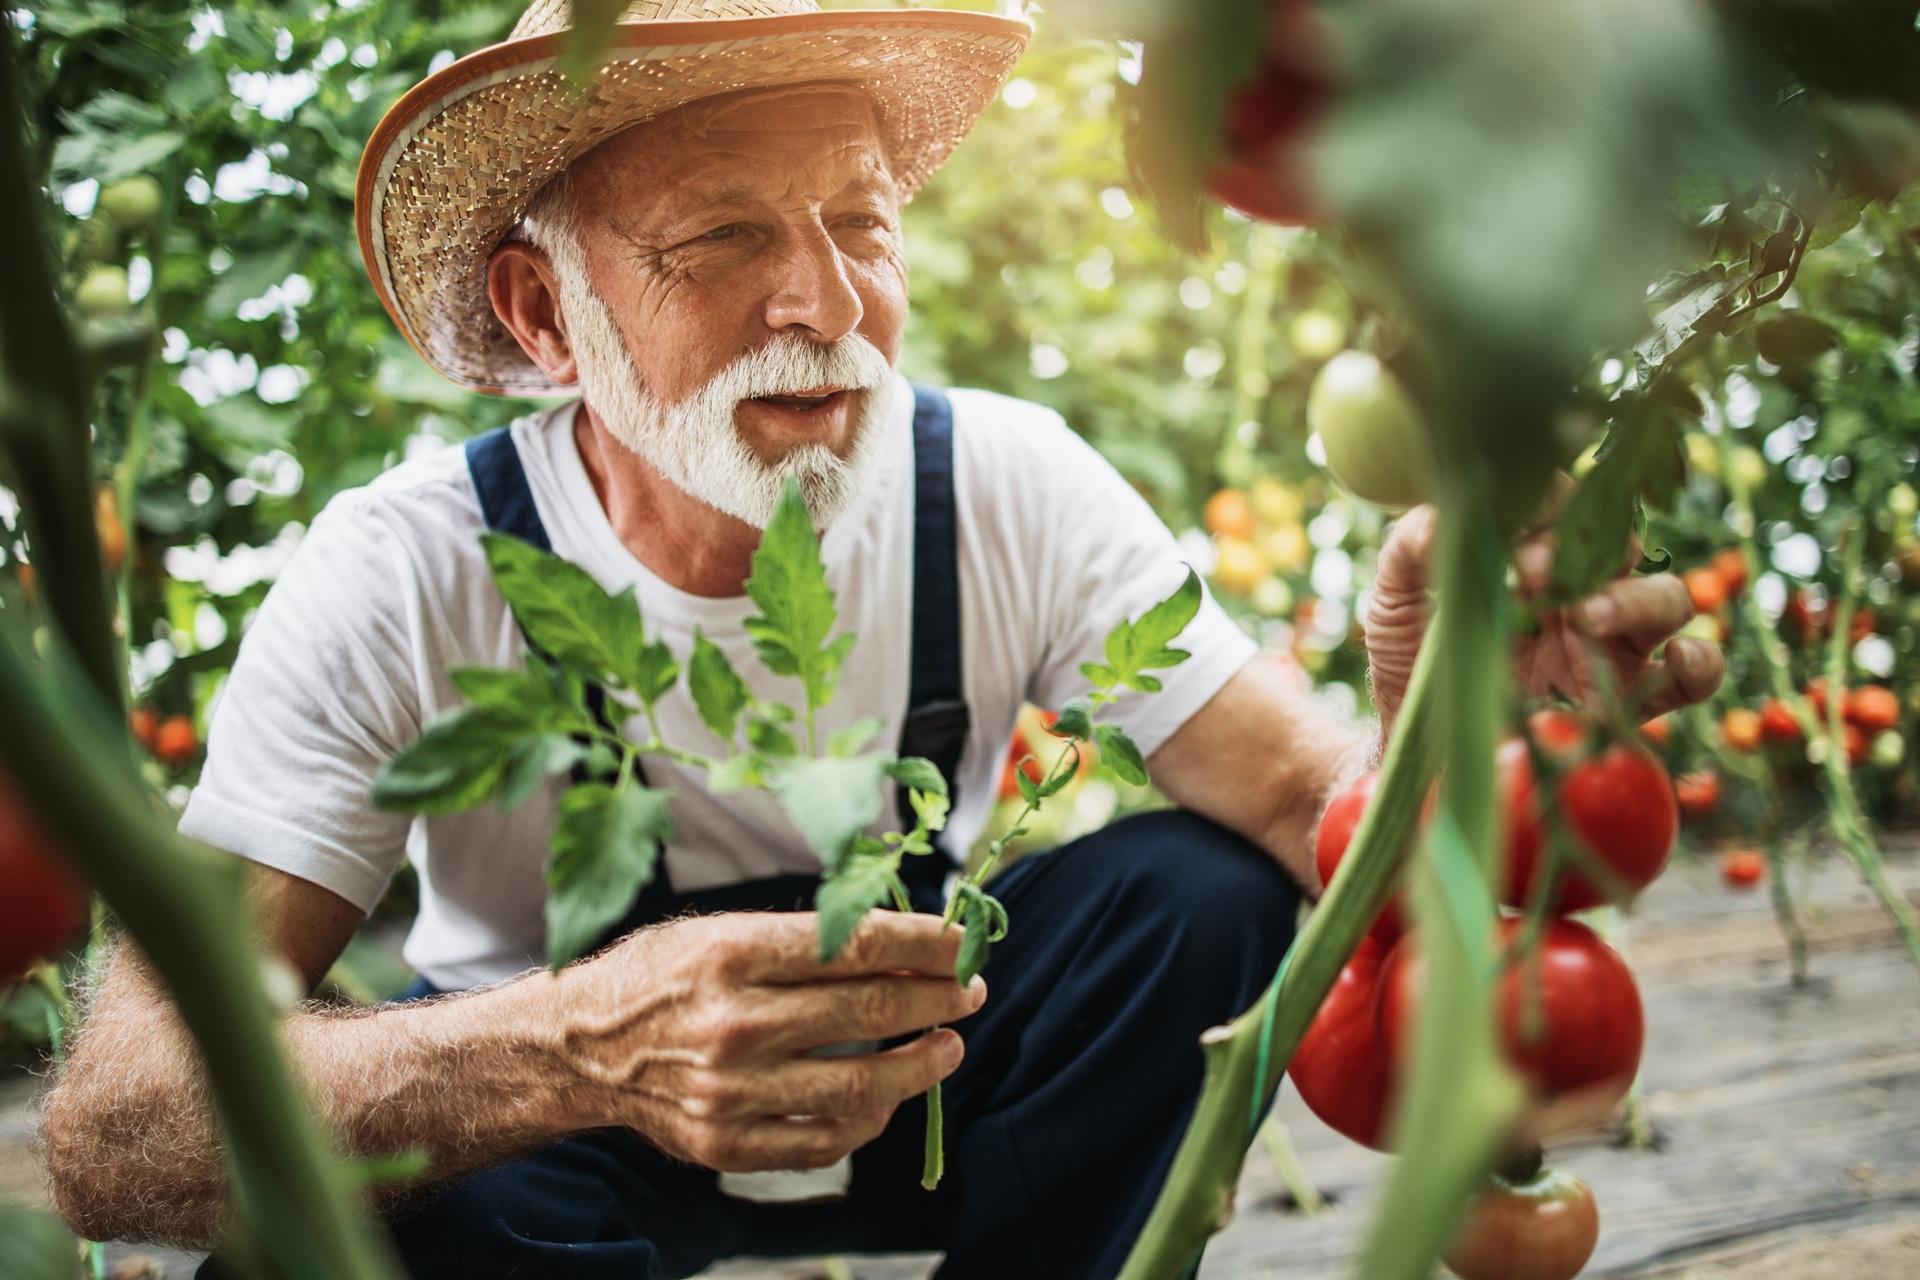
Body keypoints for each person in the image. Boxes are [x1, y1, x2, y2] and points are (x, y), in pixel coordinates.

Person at [38, 2, 1725, 1277]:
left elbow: (1316, 816)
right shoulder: (404, 569)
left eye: (859, 224)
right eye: (725, 238)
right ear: (546, 314)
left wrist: (1467, 712)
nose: (829, 308)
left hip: (950, 1110)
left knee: (1197, 898)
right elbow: (120, 1128)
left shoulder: (1003, 484)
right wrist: (573, 1046)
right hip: (560, 1172)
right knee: (406, 1168)